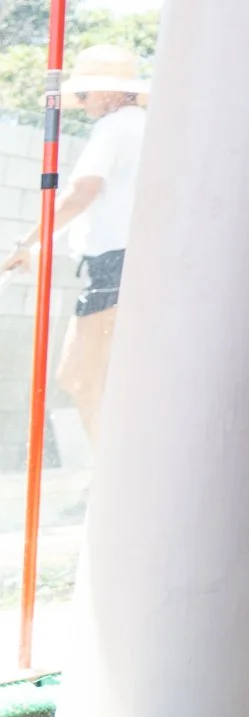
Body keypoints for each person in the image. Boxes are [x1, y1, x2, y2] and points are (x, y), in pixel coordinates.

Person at [2, 44, 150, 444]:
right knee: (93, 375)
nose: (83, 105)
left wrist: (27, 243)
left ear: (110, 92)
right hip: (129, 265)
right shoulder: (147, 129)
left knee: (83, 376)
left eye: (85, 95)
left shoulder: (114, 128)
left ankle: (110, 479)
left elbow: (80, 192)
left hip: (111, 266)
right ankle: (113, 475)